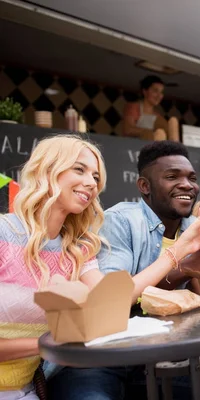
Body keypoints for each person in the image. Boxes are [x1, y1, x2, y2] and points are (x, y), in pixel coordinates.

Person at [46, 141, 200, 400]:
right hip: (102, 356)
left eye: (192, 178)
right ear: (144, 186)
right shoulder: (121, 221)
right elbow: (112, 304)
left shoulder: (196, 227)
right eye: (172, 176)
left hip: (164, 351)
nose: (187, 185)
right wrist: (183, 268)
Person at [0, 135, 108, 399]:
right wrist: (52, 343)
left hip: (23, 391)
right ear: (47, 171)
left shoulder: (75, 250)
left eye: (95, 176)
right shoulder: (3, 232)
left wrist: (179, 253)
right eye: (79, 169)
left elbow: (110, 304)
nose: (91, 183)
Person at [122, 75, 180, 142]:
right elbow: (128, 130)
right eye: (155, 91)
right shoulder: (134, 107)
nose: (159, 96)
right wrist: (147, 132)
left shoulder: (158, 117)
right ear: (145, 91)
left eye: (161, 92)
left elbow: (166, 134)